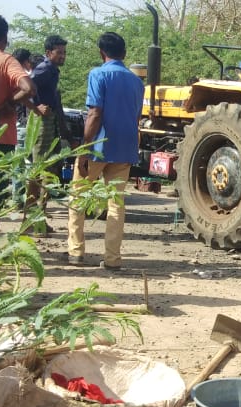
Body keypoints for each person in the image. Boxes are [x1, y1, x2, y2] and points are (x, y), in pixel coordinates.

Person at [66, 32, 143, 271]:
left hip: (98, 148)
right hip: (126, 147)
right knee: (116, 204)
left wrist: (84, 149)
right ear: (125, 53)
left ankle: (76, 253)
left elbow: (95, 114)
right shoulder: (137, 82)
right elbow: (136, 116)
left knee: (78, 197)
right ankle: (112, 259)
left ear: (102, 53)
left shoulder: (98, 74)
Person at [0, 13, 41, 235]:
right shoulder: (5, 60)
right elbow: (29, 88)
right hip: (0, 137)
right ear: (4, 36)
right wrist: (7, 104)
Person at [28, 34, 69, 236]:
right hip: (42, 122)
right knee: (39, 171)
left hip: (50, 121)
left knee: (49, 171)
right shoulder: (43, 69)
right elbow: (25, 88)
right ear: (48, 53)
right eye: (59, 52)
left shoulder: (52, 71)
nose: (63, 55)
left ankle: (39, 221)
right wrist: (35, 107)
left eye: (64, 52)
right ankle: (32, 222)